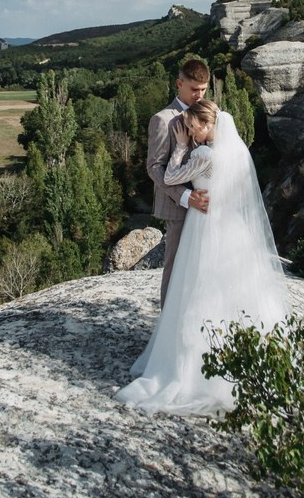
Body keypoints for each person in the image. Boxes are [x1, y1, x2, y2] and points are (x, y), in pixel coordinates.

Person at [116, 99, 289, 416]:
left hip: (204, 226)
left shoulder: (203, 154)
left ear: (209, 125)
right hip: (231, 226)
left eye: (193, 127)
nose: (190, 132)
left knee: (198, 287)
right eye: (188, 130)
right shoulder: (235, 153)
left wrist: (180, 146)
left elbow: (170, 177)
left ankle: (194, 365)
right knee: (231, 291)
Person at [146, 59, 211, 307]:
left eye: (203, 89)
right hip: (178, 208)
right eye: (194, 89)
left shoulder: (208, 111)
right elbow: (154, 167)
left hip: (208, 207)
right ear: (179, 83)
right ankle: (168, 329)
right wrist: (186, 197)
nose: (199, 95)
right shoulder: (163, 120)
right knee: (175, 269)